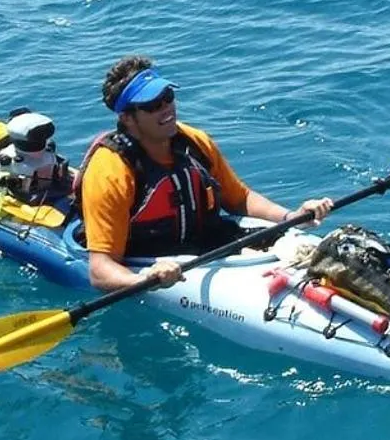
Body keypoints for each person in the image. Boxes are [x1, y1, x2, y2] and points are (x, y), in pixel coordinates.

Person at [78, 57, 334, 293]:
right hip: (151, 258)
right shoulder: (110, 171)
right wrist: (144, 279)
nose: (166, 108)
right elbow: (100, 271)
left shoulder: (195, 142)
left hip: (204, 242)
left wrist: (291, 216)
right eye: (153, 105)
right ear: (128, 118)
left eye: (168, 96)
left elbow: (239, 199)